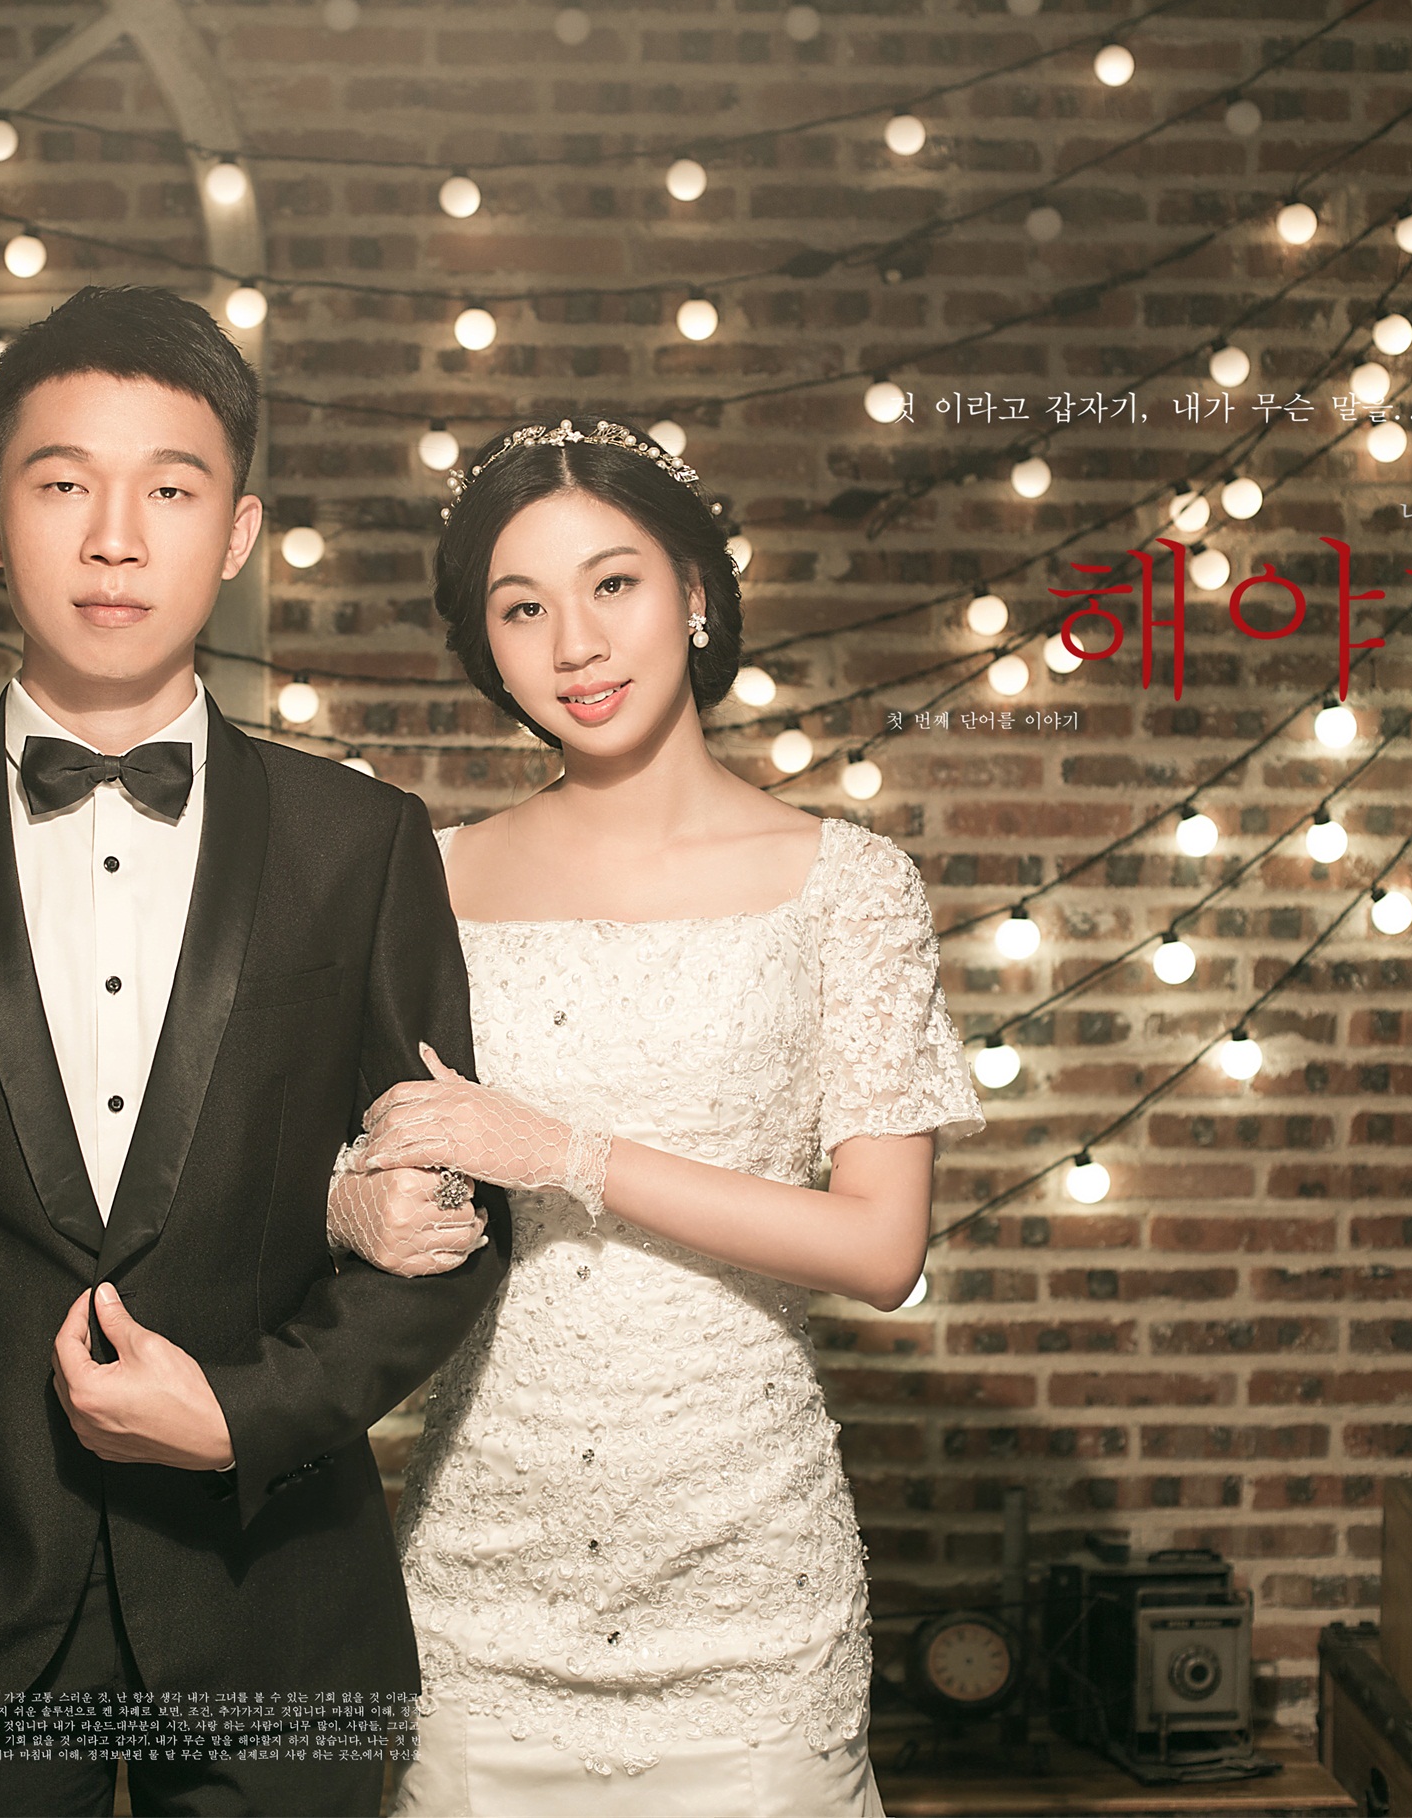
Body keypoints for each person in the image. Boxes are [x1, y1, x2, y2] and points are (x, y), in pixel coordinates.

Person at [0, 283, 509, 1818]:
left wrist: (243, 1413)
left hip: (278, 1591)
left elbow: (457, 1214)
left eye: (171, 490)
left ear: (239, 531)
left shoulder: (360, 843)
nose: (114, 538)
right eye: (64, 484)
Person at [323, 416, 986, 1815]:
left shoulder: (847, 884)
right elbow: (338, 1163)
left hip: (747, 1575)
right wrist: (350, 1203)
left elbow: (881, 1248)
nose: (576, 643)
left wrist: (564, 1153)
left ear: (693, 591)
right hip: (482, 1579)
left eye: (613, 583)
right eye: (523, 607)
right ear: (486, 644)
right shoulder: (423, 878)